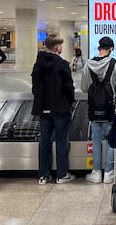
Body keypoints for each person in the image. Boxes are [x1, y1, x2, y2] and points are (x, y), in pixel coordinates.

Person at [31, 34, 76, 185]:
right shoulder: (62, 64)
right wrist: (68, 102)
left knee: (44, 140)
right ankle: (61, 174)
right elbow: (69, 87)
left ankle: (43, 175)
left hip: (43, 108)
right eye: (61, 45)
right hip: (60, 108)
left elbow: (34, 87)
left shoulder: (37, 64)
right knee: (62, 140)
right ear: (57, 47)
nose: (62, 48)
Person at [81, 36, 116, 184]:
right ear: (111, 48)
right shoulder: (115, 64)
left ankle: (96, 172)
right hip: (110, 107)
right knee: (110, 140)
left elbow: (84, 87)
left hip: (94, 108)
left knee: (96, 140)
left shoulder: (88, 64)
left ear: (99, 48)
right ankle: (108, 172)